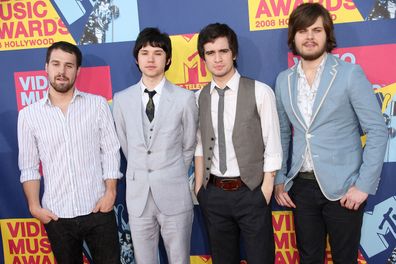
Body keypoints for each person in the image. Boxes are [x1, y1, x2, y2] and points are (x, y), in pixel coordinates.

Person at [274, 3, 388, 263]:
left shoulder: (349, 74)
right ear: (293, 36)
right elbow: (282, 133)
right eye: (302, 31)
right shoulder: (283, 80)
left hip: (345, 188)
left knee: (344, 259)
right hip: (300, 188)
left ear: (327, 34)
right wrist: (280, 177)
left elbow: (377, 130)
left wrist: (363, 186)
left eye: (316, 30)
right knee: (309, 258)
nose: (310, 37)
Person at [18, 41, 122, 264]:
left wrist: (110, 193)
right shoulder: (29, 115)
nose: (62, 71)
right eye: (56, 64)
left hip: (98, 210)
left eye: (68, 66)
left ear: (78, 71)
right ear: (46, 67)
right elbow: (28, 166)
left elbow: (111, 151)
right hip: (57, 216)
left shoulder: (97, 105)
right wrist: (35, 207)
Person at [194, 23, 282, 264]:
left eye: (223, 51)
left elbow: (272, 144)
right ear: (203, 58)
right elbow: (200, 144)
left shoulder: (260, 91)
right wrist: (199, 188)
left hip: (251, 193)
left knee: (261, 259)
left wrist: (264, 191)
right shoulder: (199, 97)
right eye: (210, 53)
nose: (217, 59)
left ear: (234, 53)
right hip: (214, 195)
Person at [112, 27, 198, 264]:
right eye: (145, 52)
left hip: (175, 193)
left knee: (180, 259)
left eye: (157, 52)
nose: (150, 58)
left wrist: (171, 172)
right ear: (137, 58)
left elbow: (189, 145)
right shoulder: (121, 99)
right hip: (138, 197)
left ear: (168, 58)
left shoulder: (184, 98)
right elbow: (125, 144)